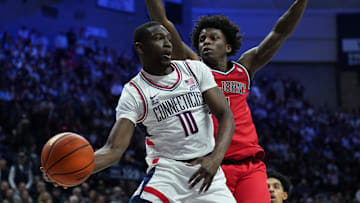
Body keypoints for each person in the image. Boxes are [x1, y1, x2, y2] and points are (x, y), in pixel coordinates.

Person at [43, 21, 236, 202]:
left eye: (168, 38)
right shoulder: (134, 92)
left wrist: (215, 158)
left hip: (207, 169)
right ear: (140, 47)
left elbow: (225, 115)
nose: (167, 44)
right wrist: (73, 168)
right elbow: (114, 149)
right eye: (159, 38)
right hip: (168, 171)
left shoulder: (195, 69)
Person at [145, 0, 308, 202]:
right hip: (210, 166)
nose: (206, 42)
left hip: (249, 166)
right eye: (202, 38)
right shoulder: (193, 68)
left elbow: (279, 32)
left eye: (214, 38)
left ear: (228, 46)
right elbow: (162, 22)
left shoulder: (244, 69)